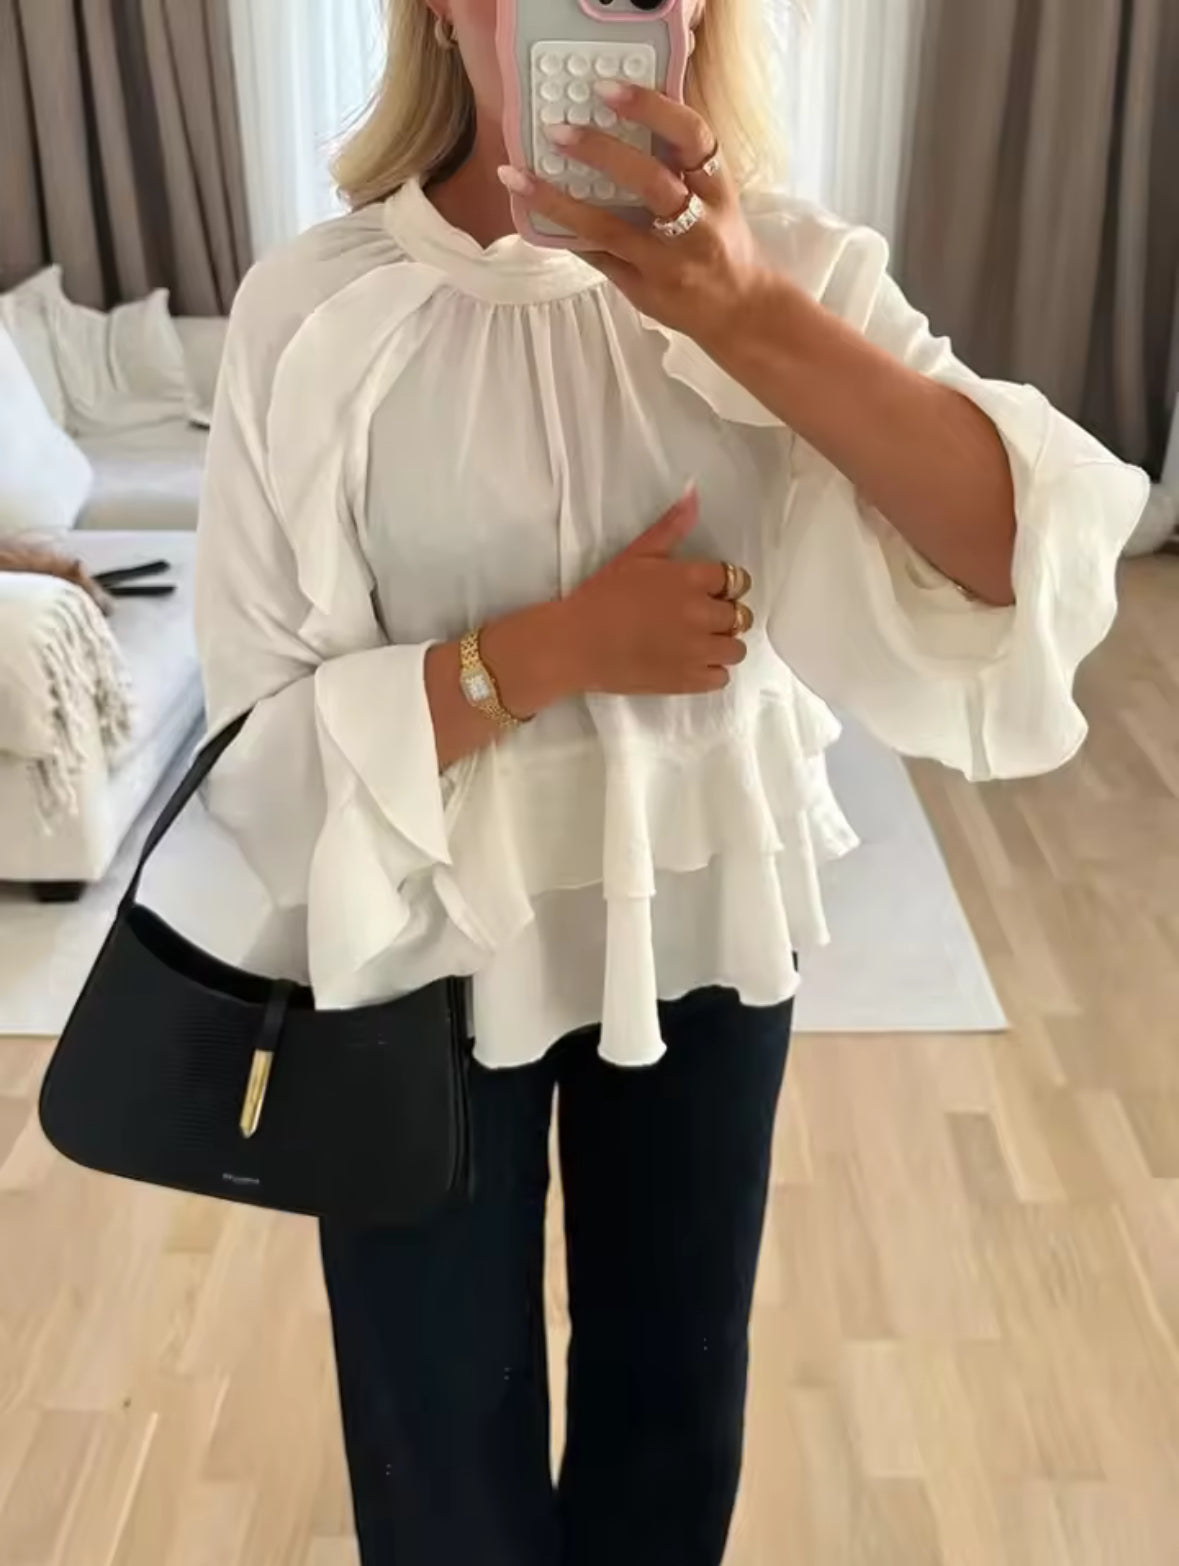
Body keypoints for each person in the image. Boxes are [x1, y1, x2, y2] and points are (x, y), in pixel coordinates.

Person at [192, 0, 1148, 1560]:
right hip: (411, 951)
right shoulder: (312, 319)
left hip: (701, 929)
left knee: (673, 1427)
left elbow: (1015, 558)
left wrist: (746, 314)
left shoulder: (785, 273)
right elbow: (256, 747)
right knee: (437, 1467)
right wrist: (547, 652)